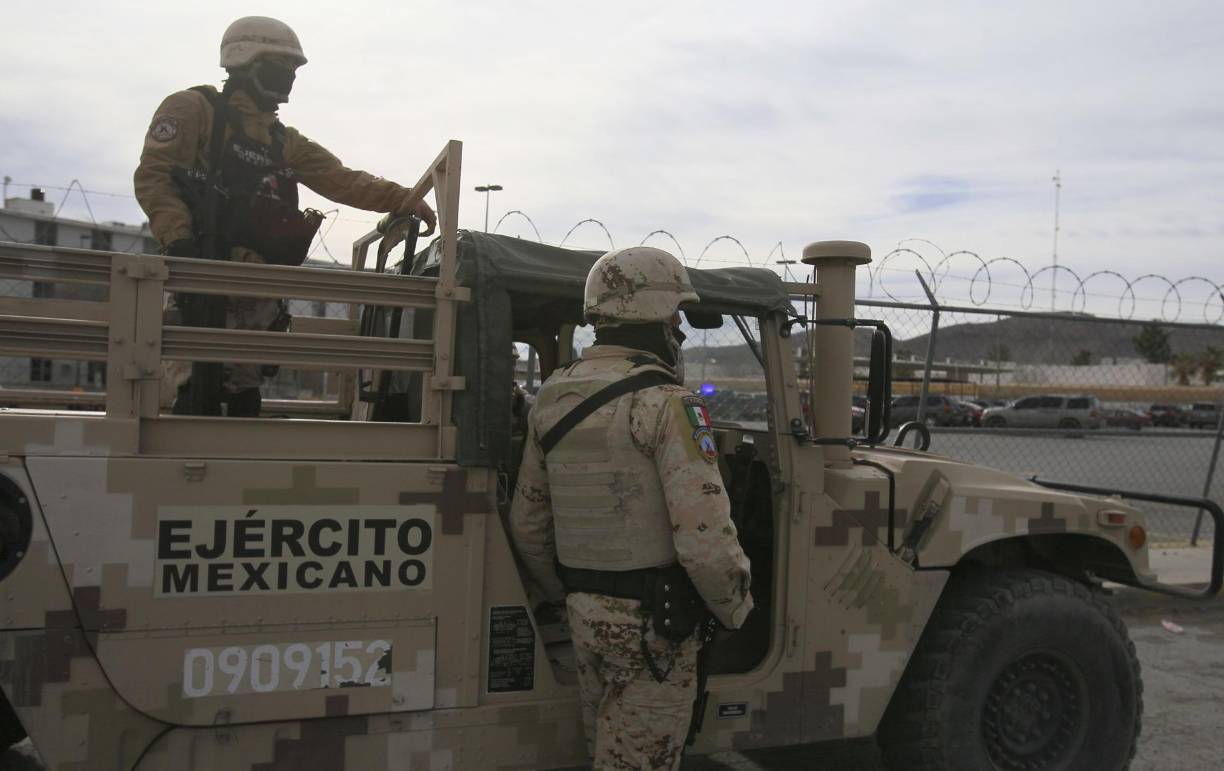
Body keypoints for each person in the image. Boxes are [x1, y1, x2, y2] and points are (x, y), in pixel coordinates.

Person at [509, 247, 753, 770]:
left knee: (606, 751)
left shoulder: (551, 399)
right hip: (654, 628)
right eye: (676, 317)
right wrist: (733, 607)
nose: (679, 331)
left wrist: (569, 592)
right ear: (659, 318)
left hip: (583, 614)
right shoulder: (667, 403)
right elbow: (704, 537)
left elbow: (528, 524)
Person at [134, 15, 436, 416]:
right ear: (245, 61)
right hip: (201, 274)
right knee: (194, 395)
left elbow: (341, 179)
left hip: (257, 289)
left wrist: (404, 199)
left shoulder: (282, 140)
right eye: (281, 69)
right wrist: (181, 242)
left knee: (243, 399)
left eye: (292, 72)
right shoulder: (196, 109)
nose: (288, 80)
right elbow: (154, 177)